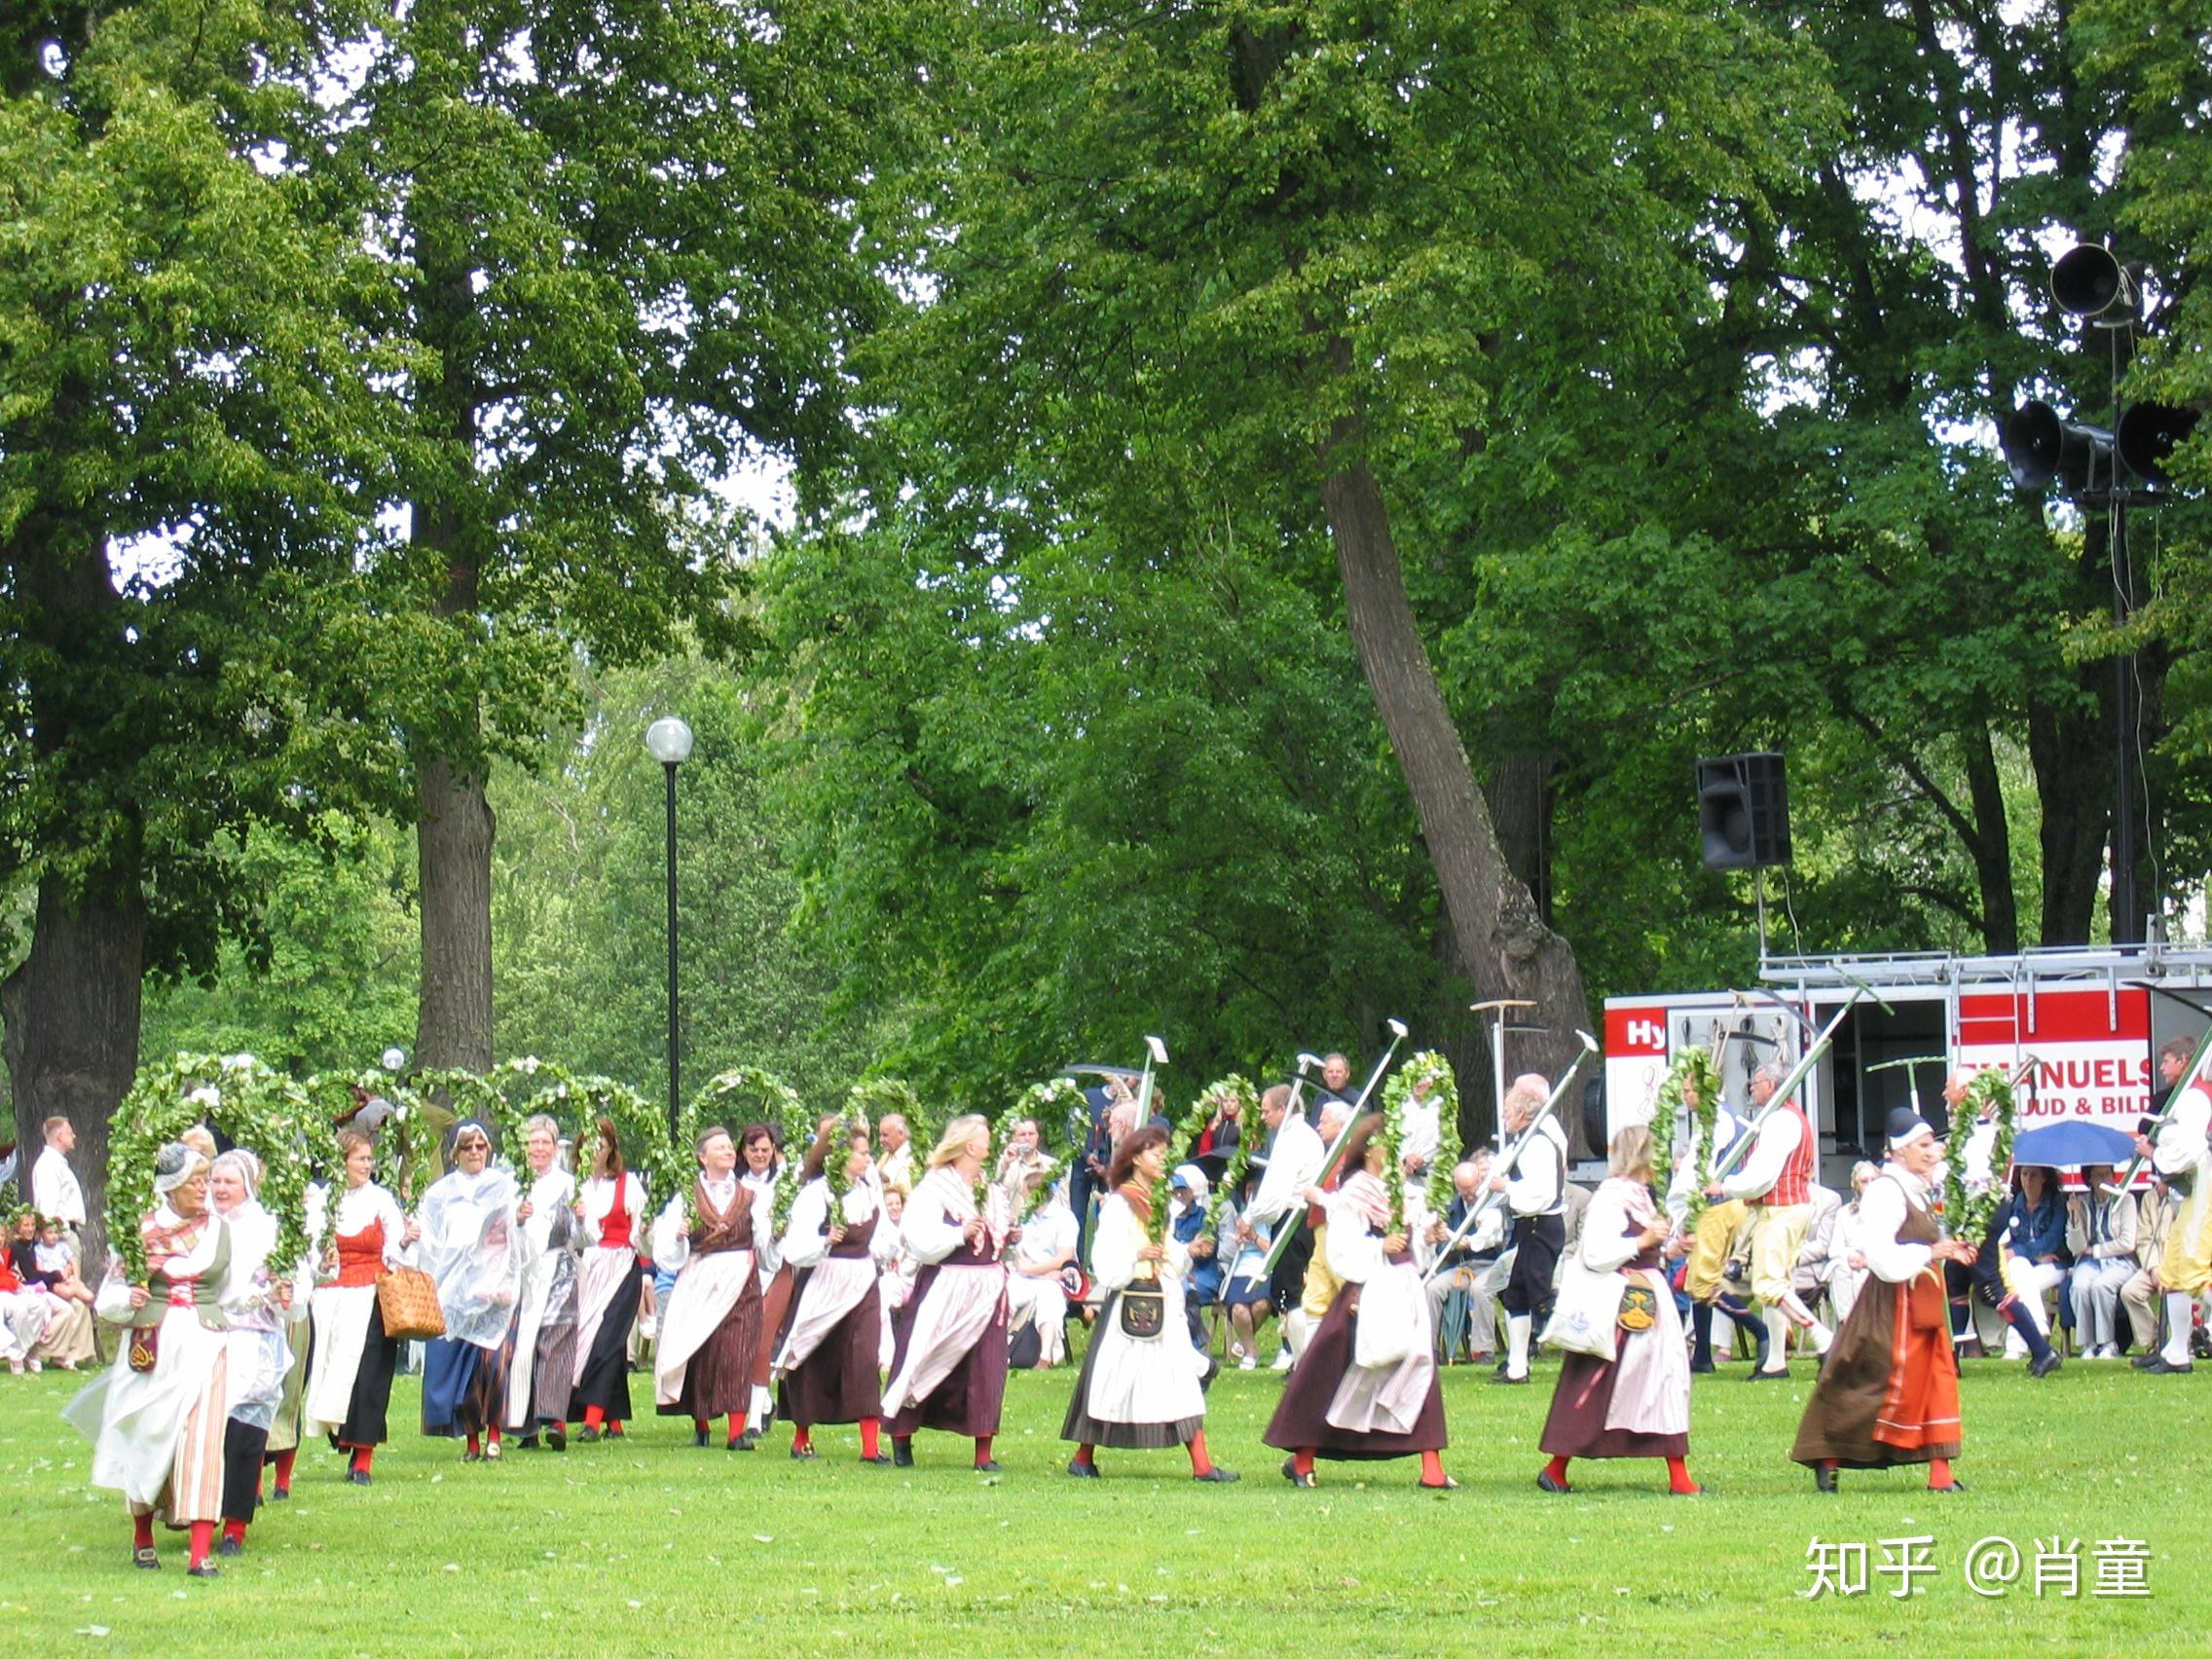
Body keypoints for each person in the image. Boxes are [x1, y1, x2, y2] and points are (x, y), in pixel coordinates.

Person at [64, 1143, 233, 1575]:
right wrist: (131, 1297)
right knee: (146, 1433)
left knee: (203, 1443)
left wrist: (274, 1295)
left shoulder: (218, 1231)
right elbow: (108, 1300)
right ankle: (143, 1535)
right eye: (196, 1181)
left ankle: (200, 1553)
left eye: (206, 1179)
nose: (204, 1189)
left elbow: (232, 1294)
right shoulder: (142, 1232)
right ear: (171, 1187)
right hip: (151, 1344)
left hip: (205, 1341)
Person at [1263, 1113, 1454, 1490]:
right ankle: (1303, 1459)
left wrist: (1425, 1236)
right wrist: (1379, 1246)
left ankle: (1431, 1467)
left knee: (1418, 1369)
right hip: (1366, 1293)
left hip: (1403, 1288)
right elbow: (1342, 1251)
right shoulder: (1354, 1193)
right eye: (1389, 1143)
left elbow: (1410, 1243)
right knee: (1332, 1373)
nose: (1397, 1151)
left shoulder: (1403, 1191)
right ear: (1369, 1150)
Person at [1791, 1107, 1973, 1493]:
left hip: (1921, 1300)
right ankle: (1827, 1453)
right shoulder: (1885, 1192)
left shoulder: (1916, 1189)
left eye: (1932, 1144)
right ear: (1901, 1151)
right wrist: (1930, 1253)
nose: (1932, 1152)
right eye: (1923, 1145)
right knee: (1871, 1380)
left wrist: (1950, 1250)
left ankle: (1940, 1475)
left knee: (1935, 1381)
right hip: (1891, 1304)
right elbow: (1880, 1255)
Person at [1062, 1126, 1235, 1483]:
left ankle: (1202, 1465)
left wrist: (1187, 1251)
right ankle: (1082, 1457)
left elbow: (1166, 1250)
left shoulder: (1157, 1203)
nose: (1163, 1162)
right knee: (1113, 1381)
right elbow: (1106, 1259)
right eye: (1157, 1155)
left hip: (1159, 1300)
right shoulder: (1119, 1205)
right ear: (1137, 1157)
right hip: (1130, 1303)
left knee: (1179, 1379)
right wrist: (1136, 1254)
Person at [1536, 1124, 1698, 1496]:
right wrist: (1644, 1239)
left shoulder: (1642, 1195)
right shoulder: (1611, 1198)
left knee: (1665, 1379)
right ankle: (1556, 1468)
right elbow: (1595, 1253)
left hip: (1649, 1299)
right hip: (1620, 1305)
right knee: (1600, 1383)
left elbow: (1647, 1250)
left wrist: (1670, 1247)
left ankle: (1679, 1475)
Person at [881, 1115, 1011, 1471]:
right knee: (921, 1355)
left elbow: (997, 1233)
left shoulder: (990, 1188)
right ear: (970, 1145)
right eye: (985, 1137)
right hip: (947, 1283)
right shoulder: (934, 1188)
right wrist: (958, 1234)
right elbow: (919, 1241)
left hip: (987, 1286)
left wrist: (1005, 1238)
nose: (990, 1143)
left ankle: (983, 1452)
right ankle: (902, 1438)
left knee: (988, 1364)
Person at [776, 1118, 895, 1463]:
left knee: (864, 1358)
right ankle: (802, 1437)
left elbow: (884, 1235)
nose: (867, 1160)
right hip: (823, 1282)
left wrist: (881, 1251)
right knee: (812, 1355)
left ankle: (870, 1446)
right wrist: (823, 1241)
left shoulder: (868, 1192)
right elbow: (795, 1248)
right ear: (839, 1155)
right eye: (861, 1153)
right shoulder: (816, 1193)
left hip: (861, 1281)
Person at [303, 1128, 417, 1485]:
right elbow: (310, 1249)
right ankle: (341, 1436)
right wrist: (322, 1262)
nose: (367, 1165)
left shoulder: (381, 1200)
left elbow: (398, 1252)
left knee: (369, 1375)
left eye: (370, 1159)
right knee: (333, 1373)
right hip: (332, 1296)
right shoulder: (323, 1200)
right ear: (343, 1162)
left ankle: (362, 1458)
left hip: (371, 1294)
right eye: (360, 1159)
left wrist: (405, 1240)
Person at [1709, 1063, 1829, 1380]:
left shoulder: (1780, 1121)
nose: (1752, 1087)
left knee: (1769, 1284)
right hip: (1791, 1208)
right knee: (1779, 1285)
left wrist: (1726, 1186)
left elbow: (1762, 1177)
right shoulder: (1789, 1117)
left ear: (1773, 1084)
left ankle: (1824, 1339)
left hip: (1782, 1210)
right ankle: (1775, 1361)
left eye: (1756, 1082)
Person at [207, 1150, 300, 1559]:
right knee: (209, 1430)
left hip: (255, 1341)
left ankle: (236, 1525)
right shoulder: (202, 1225)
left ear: (247, 1185)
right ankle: (200, 1511)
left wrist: (284, 1293)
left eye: (229, 1182)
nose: (221, 1189)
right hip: (209, 1335)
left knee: (246, 1432)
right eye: (216, 1181)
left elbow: (294, 1284)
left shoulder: (268, 1228)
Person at [653, 1124, 769, 1447]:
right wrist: (679, 1235)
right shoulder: (687, 1196)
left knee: (738, 1350)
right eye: (720, 1148)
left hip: (742, 1277)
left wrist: (772, 1232)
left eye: (730, 1147)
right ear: (703, 1158)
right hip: (700, 1278)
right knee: (702, 1348)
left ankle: (736, 1433)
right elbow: (667, 1252)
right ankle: (701, 1423)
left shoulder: (749, 1195)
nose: (729, 1151)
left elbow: (762, 1240)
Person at [418, 1121, 526, 1461]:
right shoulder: (440, 1195)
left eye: (481, 1146)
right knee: (464, 1371)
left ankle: (495, 1433)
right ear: (455, 1153)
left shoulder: (503, 1187)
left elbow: (515, 1240)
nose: (475, 1153)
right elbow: (431, 1243)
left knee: (492, 1365)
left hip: (495, 1287)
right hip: (457, 1293)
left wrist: (519, 1221)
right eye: (468, 1147)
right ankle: (472, 1440)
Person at [1942, 1069, 2061, 1376]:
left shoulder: (1981, 1132)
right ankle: (1950, 1360)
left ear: (1965, 1092)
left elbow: (1974, 1178)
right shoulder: (1975, 1129)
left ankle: (2042, 1350)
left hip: (1981, 1211)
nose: (1944, 1094)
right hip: (1974, 1211)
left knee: (1991, 1286)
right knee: (1954, 1276)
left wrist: (1941, 1166)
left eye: (1949, 1088)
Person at [503, 1115, 579, 1451]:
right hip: (523, 1272)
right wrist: (516, 1220)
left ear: (554, 1146)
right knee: (523, 1344)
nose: (539, 1148)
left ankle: (555, 1417)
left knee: (556, 1337)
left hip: (559, 1269)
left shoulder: (568, 1184)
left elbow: (584, 1237)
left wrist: (582, 1219)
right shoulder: (512, 1183)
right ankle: (525, 1423)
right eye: (533, 1142)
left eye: (545, 1142)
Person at [571, 1117, 647, 1441]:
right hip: (590, 1267)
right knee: (591, 1337)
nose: (593, 1153)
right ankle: (613, 1421)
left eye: (599, 1146)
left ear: (611, 1149)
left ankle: (592, 1419)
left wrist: (641, 1235)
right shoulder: (579, 1187)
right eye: (588, 1146)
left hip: (621, 1265)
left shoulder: (628, 1185)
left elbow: (640, 1233)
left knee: (607, 1339)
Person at [1492, 1073, 1568, 1385]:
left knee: (1540, 1300)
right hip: (1530, 1228)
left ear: (1523, 1114)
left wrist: (1506, 1186)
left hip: (1542, 1225)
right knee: (1516, 1297)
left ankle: (1590, 1346)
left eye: (1508, 1111)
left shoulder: (1538, 1144)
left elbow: (1542, 1194)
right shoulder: (1523, 1142)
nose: (1504, 1116)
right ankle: (1517, 1367)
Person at [1243, 1085, 1324, 1371]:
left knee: (1288, 1294)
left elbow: (1276, 1190)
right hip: (1303, 1218)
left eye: (1266, 1111)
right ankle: (1302, 1363)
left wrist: (1250, 1218)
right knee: (1290, 1293)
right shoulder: (1301, 1136)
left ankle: (1304, 1366)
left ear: (1283, 1109)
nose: (1263, 1117)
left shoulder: (1292, 1140)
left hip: (1294, 1219)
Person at [2142, 1068, 2212, 1374]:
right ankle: (2176, 1352)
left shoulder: (2197, 1096)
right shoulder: (2193, 1095)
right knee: (2174, 1270)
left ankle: (2178, 1351)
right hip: (2195, 1193)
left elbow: (2190, 1151)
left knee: (2194, 1269)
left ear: (2184, 1061)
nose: (2162, 1068)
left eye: (2167, 1061)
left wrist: (2153, 1154)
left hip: (2205, 1191)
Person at [738, 1122, 793, 1449]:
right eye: (753, 1149)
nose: (760, 1155)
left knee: (763, 1339)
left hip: (778, 1266)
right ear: (744, 1152)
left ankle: (755, 1417)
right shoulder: (736, 1184)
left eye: (765, 1149)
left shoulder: (784, 1183)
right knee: (743, 1341)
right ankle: (765, 1402)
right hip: (745, 1267)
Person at [1425, 1158, 1503, 1364]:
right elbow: (1443, 1250)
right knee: (1433, 1289)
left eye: (1472, 1188)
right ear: (1456, 1186)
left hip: (1495, 1264)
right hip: (1464, 1266)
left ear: (1480, 1180)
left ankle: (1484, 1351)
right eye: (1463, 1189)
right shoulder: (1452, 1207)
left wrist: (1473, 1242)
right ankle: (1429, 1349)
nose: (1468, 1194)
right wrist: (1447, 1243)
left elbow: (1503, 1238)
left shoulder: (1494, 1201)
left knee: (1480, 1289)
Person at [1005, 1172, 1080, 1368]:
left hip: (1056, 1277)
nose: (1023, 1197)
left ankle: (1045, 1356)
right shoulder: (1023, 1218)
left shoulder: (1064, 1218)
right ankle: (1003, 1349)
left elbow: (1064, 1257)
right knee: (1004, 1292)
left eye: (1025, 1194)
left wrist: (1034, 1271)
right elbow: (1019, 1258)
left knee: (1050, 1295)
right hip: (1027, 1276)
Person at [2067, 1162, 2138, 1359]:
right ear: (2089, 1179)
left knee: (2101, 1285)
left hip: (2120, 1260)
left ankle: (2108, 1343)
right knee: (2079, 1286)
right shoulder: (2080, 1202)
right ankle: (2087, 1344)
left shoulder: (2126, 1200)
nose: (2105, 1179)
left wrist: (2096, 1250)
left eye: (2108, 1174)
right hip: (2089, 1262)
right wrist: (2074, 1218)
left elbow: (2127, 1242)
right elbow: (2076, 1247)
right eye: (2099, 1175)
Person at [1997, 1165, 2069, 1358]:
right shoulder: (2014, 1205)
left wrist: (2021, 1251)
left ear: (2044, 1178)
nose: (2028, 1180)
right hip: (2024, 1266)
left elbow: (2053, 1240)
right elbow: (2006, 1240)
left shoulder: (2057, 1203)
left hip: (2053, 1264)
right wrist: (2031, 1254)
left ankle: (2015, 1347)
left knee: (2020, 1286)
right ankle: (2037, 1324)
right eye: (2024, 1174)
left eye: (2033, 1175)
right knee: (2019, 1270)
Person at [1219, 1166, 1274, 1370]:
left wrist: (1254, 1237)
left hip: (1263, 1268)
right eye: (1248, 1189)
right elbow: (1226, 1252)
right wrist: (1236, 1240)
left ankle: (1244, 1343)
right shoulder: (1240, 1216)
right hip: (1240, 1268)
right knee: (1240, 1310)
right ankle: (1250, 1352)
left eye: (1256, 1190)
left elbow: (1273, 1249)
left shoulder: (1271, 1219)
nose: (1251, 1193)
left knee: (1261, 1305)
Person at [1825, 1161, 1880, 1330]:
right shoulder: (1845, 1213)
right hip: (1851, 1264)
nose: (1869, 1185)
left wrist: (1867, 1261)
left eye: (1873, 1180)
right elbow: (1834, 1249)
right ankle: (1849, 1326)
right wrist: (1850, 1255)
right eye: (1864, 1181)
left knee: (1863, 1273)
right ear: (1856, 1185)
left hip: (1878, 1263)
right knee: (1840, 1268)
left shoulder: (1890, 1211)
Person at [32, 1117, 86, 1251]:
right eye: (70, 1132)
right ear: (60, 1137)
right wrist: (64, 1234)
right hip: (61, 1240)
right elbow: (48, 1208)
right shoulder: (48, 1165)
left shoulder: (57, 1164)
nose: (74, 1136)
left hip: (65, 1236)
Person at [877, 1113, 916, 1198]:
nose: (881, 1139)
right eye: (880, 1135)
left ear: (901, 1134)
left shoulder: (914, 1158)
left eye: (885, 1135)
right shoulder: (885, 1156)